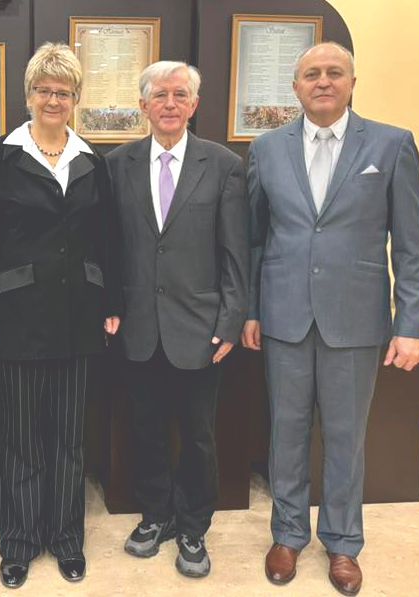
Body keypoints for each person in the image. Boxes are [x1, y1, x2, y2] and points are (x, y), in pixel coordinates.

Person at [242, 42, 419, 595]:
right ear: (295, 88)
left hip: (356, 319)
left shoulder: (392, 144)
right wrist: (251, 311)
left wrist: (411, 324)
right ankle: (288, 534)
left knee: (347, 437)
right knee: (287, 432)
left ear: (352, 82)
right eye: (311, 74)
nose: (323, 81)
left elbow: (411, 245)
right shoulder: (267, 149)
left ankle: (344, 543)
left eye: (334, 73)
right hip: (285, 316)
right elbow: (255, 240)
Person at [0, 42, 121, 589]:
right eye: (45, 90)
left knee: (70, 438)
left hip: (79, 315)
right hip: (18, 315)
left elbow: (106, 238)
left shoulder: (92, 160)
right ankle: (20, 542)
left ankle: (67, 539)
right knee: (23, 439)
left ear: (76, 99)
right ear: (28, 94)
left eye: (64, 92)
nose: (54, 100)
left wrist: (112, 304)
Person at [106, 61, 249, 578]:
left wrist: (231, 320)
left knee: (198, 435)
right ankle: (155, 515)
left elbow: (236, 251)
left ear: (194, 105)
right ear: (143, 105)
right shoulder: (116, 164)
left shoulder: (224, 165)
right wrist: (109, 306)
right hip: (139, 326)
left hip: (200, 327)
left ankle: (193, 527)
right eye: (160, 95)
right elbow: (109, 245)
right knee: (144, 428)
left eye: (180, 95)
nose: (170, 103)